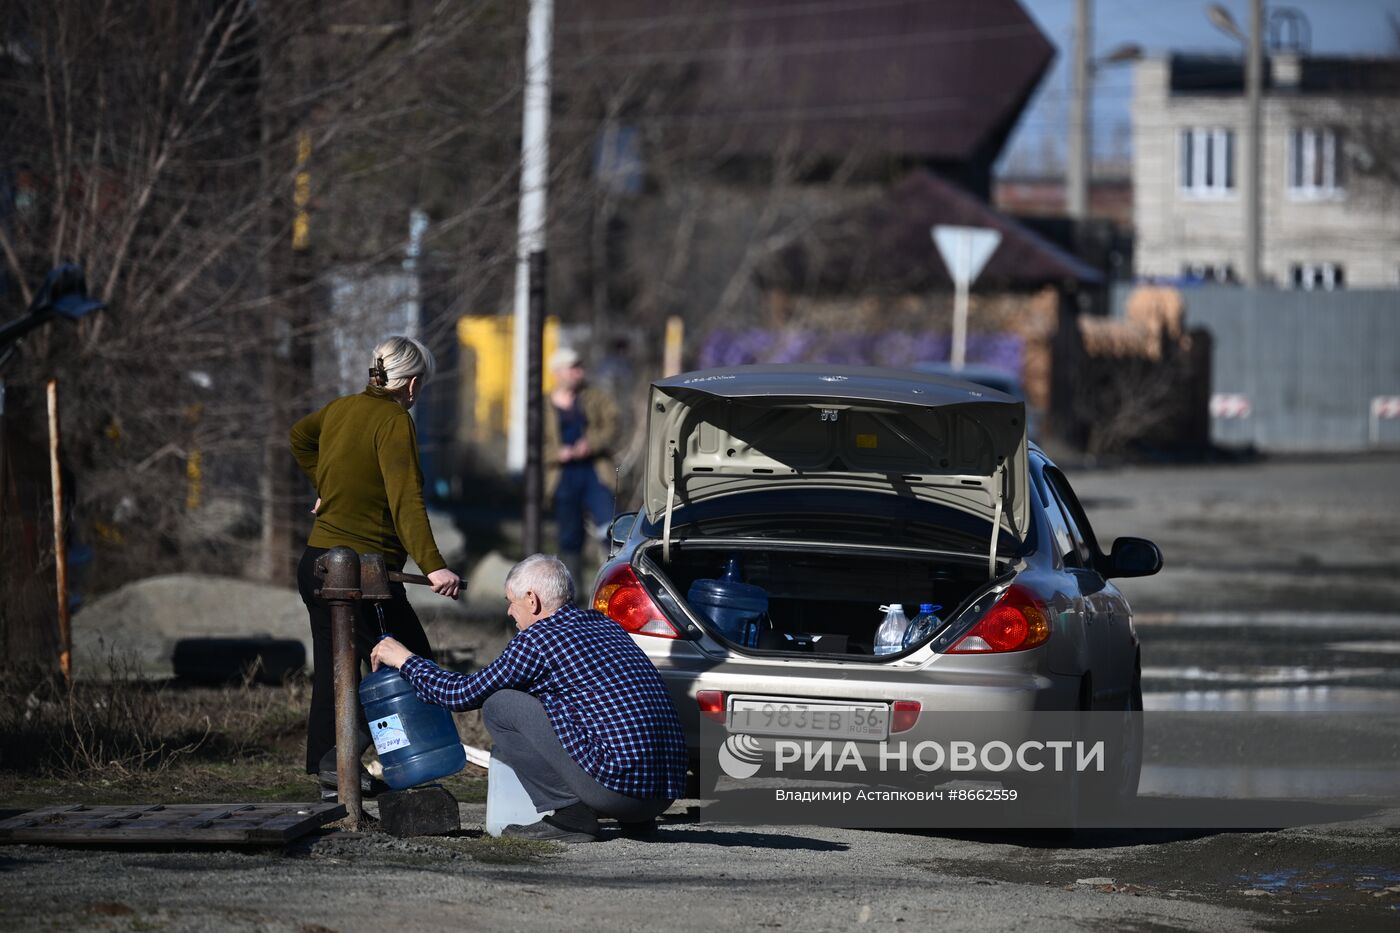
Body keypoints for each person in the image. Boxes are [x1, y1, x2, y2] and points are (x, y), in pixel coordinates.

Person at [370, 554, 687, 843]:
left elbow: (461, 694)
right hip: (661, 795)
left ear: (532, 600)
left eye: (511, 601)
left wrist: (405, 660)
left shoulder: (538, 638)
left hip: (617, 793)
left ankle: (572, 818)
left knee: (500, 705)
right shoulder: (605, 624)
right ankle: (637, 822)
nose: (509, 611)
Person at [290, 335, 461, 799]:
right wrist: (434, 566)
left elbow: (299, 437)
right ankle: (336, 760)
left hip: (316, 564)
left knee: (336, 668)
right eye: (420, 384)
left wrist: (323, 486)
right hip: (364, 575)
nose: (418, 393)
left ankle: (332, 771)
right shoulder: (393, 421)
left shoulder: (340, 408)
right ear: (409, 384)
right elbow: (407, 500)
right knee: (412, 664)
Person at [543, 346, 620, 586]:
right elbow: (533, 445)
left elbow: (613, 425)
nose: (579, 372)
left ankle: (617, 585)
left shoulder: (594, 398)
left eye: (580, 367)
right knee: (570, 538)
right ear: (558, 372)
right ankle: (570, 593)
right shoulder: (542, 406)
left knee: (611, 529)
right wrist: (558, 453)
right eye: (573, 368)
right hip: (563, 476)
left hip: (595, 473)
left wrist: (591, 444)